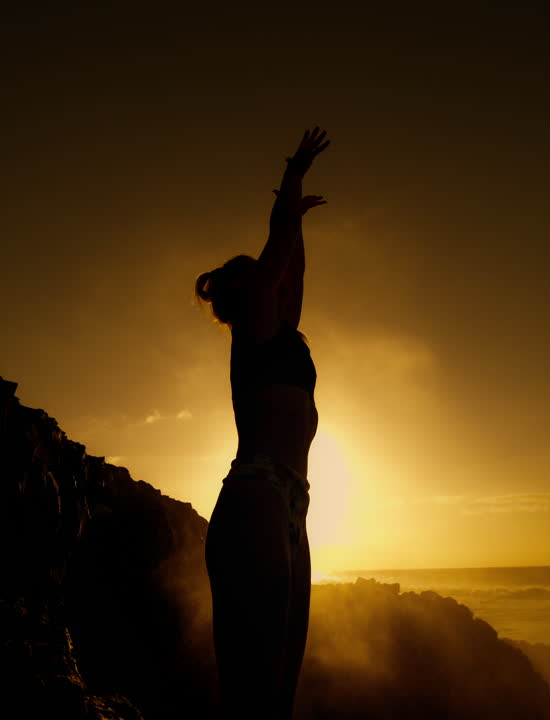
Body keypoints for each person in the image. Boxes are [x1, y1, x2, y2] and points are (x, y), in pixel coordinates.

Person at [194, 128, 330, 719]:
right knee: (252, 691)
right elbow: (278, 254)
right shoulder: (251, 332)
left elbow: (291, 270)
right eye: (262, 279)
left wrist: (297, 220)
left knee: (280, 693)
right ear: (248, 294)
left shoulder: (281, 338)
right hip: (255, 500)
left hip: (291, 508)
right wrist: (294, 176)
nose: (274, 286)